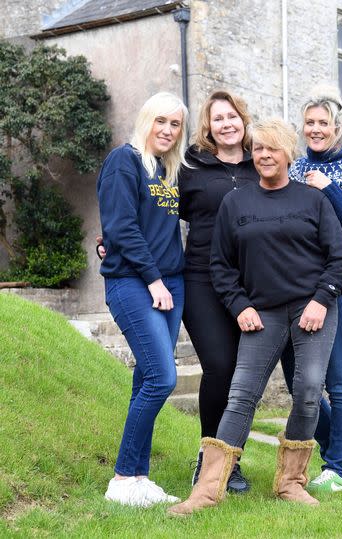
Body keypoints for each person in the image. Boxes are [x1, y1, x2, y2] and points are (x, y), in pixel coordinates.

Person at [168, 118, 342, 515]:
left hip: (312, 311)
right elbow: (220, 266)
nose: (265, 155)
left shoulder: (313, 200)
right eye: (260, 149)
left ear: (289, 154)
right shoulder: (237, 203)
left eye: (273, 149)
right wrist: (240, 306)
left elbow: (339, 260)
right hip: (261, 314)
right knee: (240, 396)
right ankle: (207, 490)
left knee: (307, 392)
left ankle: (291, 483)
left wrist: (321, 300)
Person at [97, 92, 188, 507]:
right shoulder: (125, 160)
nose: (168, 130)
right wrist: (153, 281)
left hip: (171, 283)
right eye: (161, 121)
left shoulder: (169, 172)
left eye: (175, 125)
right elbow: (122, 226)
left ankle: (138, 476)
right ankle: (121, 479)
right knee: (162, 378)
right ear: (146, 120)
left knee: (145, 378)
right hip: (135, 283)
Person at [281, 86, 342, 494]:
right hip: (295, 288)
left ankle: (338, 465)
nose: (316, 129)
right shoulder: (295, 168)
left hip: (337, 288)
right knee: (298, 380)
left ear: (338, 128)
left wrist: (327, 188)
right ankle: (341, 453)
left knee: (340, 382)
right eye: (310, 122)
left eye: (324, 123)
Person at [179, 90, 258, 494]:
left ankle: (233, 461)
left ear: (243, 120)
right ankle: (209, 458)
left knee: (244, 378)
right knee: (220, 366)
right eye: (218, 118)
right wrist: (116, 240)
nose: (226, 124)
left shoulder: (257, 163)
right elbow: (155, 209)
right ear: (208, 127)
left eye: (232, 116)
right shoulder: (190, 166)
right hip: (201, 281)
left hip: (249, 285)